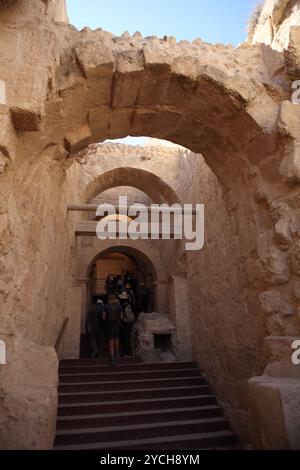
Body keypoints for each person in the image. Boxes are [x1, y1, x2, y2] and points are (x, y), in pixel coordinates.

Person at [104, 294, 123, 366]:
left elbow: (103, 317)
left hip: (109, 325)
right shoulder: (119, 306)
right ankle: (117, 353)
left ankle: (112, 358)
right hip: (117, 325)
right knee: (116, 339)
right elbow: (121, 317)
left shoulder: (105, 307)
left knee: (111, 341)